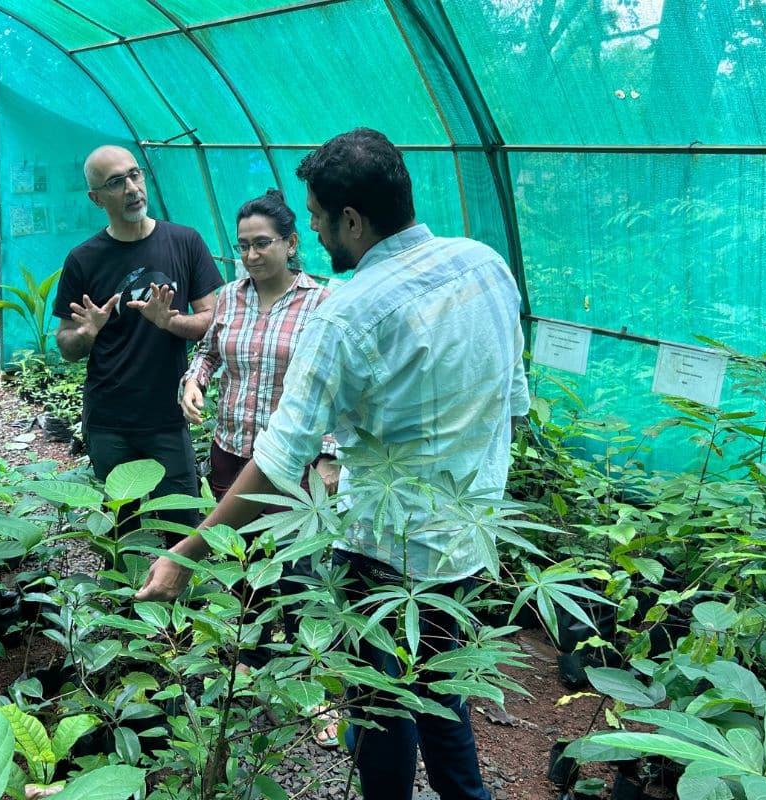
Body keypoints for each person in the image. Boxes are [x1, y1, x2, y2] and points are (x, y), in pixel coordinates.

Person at [136, 128, 529, 800]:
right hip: (468, 535)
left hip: (387, 551)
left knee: (378, 716)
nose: (311, 229)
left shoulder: (343, 313)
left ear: (352, 218)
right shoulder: (484, 265)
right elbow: (510, 401)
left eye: (315, 216)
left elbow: (281, 460)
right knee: (441, 696)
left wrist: (187, 554)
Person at [180, 189, 338, 739]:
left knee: (300, 574)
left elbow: (339, 384)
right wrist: (194, 382)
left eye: (262, 243)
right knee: (239, 563)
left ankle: (311, 689)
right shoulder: (229, 297)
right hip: (229, 451)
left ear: (292, 242)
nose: (251, 255)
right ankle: (242, 663)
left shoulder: (323, 302)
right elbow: (210, 352)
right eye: (243, 245)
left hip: (292, 464)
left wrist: (331, 455)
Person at [53, 145, 224, 539]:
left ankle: (183, 600)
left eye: (135, 174)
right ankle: (129, 601)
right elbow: (66, 345)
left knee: (181, 528)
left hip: (166, 417)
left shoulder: (185, 242)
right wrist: (86, 333)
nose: (132, 188)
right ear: (96, 199)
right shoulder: (83, 259)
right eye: (116, 182)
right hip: (109, 421)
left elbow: (211, 322)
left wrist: (170, 320)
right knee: (122, 530)